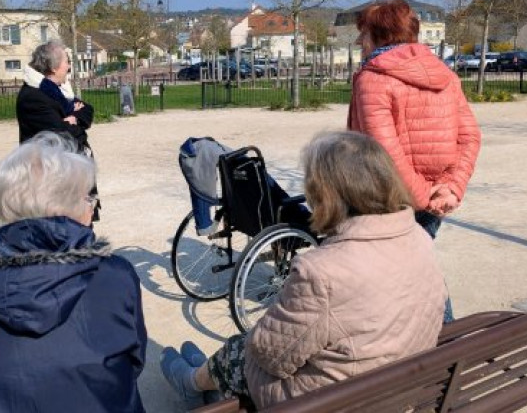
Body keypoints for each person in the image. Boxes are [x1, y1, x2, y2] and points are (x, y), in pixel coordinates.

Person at [161, 131, 447, 410]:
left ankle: (192, 383)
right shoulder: (420, 239)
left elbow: (268, 354)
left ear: (324, 195)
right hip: (404, 383)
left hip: (337, 401)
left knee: (239, 350)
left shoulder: (321, 271)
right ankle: (205, 375)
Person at [0, 133, 147, 413]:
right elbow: (133, 363)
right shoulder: (115, 278)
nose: (92, 207)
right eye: (90, 198)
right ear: (71, 206)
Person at [349, 0, 482, 320]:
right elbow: (470, 137)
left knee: (408, 277)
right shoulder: (445, 75)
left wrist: (426, 199)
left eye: (363, 34)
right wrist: (449, 190)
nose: (358, 42)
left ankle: (443, 347)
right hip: (434, 197)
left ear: (380, 36)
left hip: (388, 199)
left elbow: (385, 154)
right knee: (414, 269)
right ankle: (440, 346)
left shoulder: (373, 79)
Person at [16, 39, 95, 150]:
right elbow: (63, 136)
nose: (68, 67)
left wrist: (74, 119)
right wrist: (75, 123)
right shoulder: (33, 97)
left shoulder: (60, 89)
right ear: (53, 68)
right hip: (48, 163)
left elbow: (87, 109)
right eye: (67, 62)